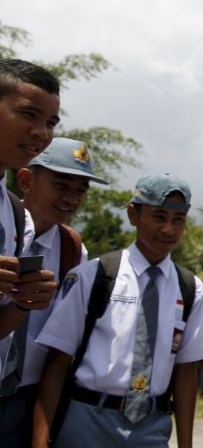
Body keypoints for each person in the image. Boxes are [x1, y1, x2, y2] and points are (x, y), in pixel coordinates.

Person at [32, 173, 203, 448]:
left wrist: (185, 444)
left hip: (151, 426)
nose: (168, 230)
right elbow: (57, 362)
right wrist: (40, 441)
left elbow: (187, 371)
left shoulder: (190, 289)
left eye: (178, 220)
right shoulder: (94, 277)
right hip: (88, 419)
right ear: (133, 214)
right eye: (159, 217)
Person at [0, 138, 106, 446]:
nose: (71, 198)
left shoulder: (73, 251)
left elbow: (61, 344)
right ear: (26, 180)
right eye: (61, 185)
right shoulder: (5, 227)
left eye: (80, 191)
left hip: (27, 398)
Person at [0, 59, 60, 342]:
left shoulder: (15, 214)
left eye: (50, 123)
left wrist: (25, 301)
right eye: (29, 114)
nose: (42, 133)